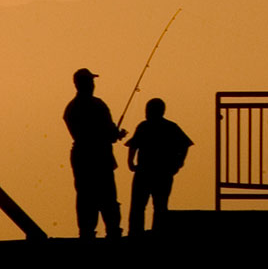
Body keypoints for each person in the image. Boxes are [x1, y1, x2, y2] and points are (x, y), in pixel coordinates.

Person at [63, 67, 127, 239]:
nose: (92, 84)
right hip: (100, 156)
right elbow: (110, 133)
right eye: (90, 81)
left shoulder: (71, 108)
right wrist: (118, 134)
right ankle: (113, 231)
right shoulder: (98, 105)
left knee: (85, 196)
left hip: (81, 156)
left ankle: (86, 232)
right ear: (83, 84)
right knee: (107, 196)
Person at [126, 98, 193, 236]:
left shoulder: (144, 126)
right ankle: (158, 232)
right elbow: (185, 145)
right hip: (163, 172)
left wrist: (131, 162)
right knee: (160, 205)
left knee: (139, 205)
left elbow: (133, 145)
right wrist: (179, 162)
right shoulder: (171, 127)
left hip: (145, 172)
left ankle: (135, 232)